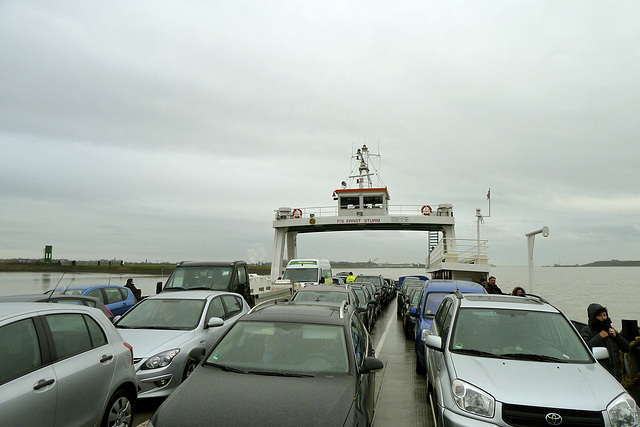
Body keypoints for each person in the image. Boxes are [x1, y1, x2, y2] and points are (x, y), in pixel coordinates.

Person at [580, 303, 631, 382]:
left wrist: (616, 336)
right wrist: (599, 337)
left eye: (605, 315)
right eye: (600, 316)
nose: (604, 318)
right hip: (599, 375)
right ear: (593, 317)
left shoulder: (610, 330)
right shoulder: (587, 331)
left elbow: (627, 348)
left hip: (616, 375)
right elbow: (583, 349)